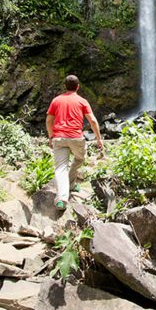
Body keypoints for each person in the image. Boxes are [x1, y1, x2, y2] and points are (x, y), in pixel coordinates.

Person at [46, 75, 103, 210]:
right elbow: (93, 121)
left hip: (59, 138)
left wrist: (50, 136)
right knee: (79, 159)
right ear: (78, 87)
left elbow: (49, 120)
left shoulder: (56, 100)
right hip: (76, 138)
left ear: (65, 86)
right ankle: (69, 186)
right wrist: (98, 138)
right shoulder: (82, 101)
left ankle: (62, 198)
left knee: (60, 168)